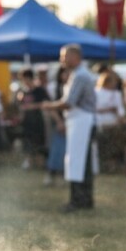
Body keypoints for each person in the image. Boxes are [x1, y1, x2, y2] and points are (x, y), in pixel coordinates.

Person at [43, 44, 97, 212]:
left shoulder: (80, 75)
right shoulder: (79, 74)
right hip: (81, 121)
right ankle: (85, 199)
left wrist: (49, 105)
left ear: (75, 57)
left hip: (81, 121)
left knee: (76, 162)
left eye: (64, 56)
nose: (62, 60)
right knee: (83, 163)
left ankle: (77, 200)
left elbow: (68, 102)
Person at [16, 68, 49, 170]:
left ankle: (41, 164)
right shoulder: (22, 91)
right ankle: (29, 162)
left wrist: (32, 106)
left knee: (39, 144)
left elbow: (47, 103)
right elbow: (20, 106)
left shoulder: (39, 90)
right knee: (27, 143)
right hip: (27, 122)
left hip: (37, 121)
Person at [94, 70, 126, 174]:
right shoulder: (96, 92)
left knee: (114, 145)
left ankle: (113, 165)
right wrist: (108, 109)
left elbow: (120, 109)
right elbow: (94, 108)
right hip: (100, 122)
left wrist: (120, 117)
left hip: (114, 123)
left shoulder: (116, 94)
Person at [44, 66, 69, 186]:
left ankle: (64, 175)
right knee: (57, 149)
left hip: (70, 123)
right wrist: (59, 122)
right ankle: (52, 174)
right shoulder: (54, 88)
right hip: (58, 123)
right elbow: (49, 106)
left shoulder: (71, 87)